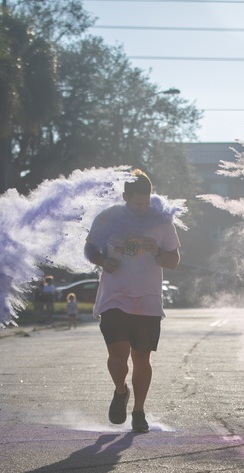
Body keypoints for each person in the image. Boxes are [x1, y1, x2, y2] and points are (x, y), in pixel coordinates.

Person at [83, 169, 181, 434]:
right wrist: (103, 261)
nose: (142, 207)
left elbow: (173, 260)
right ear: (125, 196)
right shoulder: (108, 219)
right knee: (117, 354)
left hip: (147, 299)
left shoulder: (161, 222)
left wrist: (156, 251)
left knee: (141, 357)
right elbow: (89, 247)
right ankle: (120, 390)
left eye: (146, 202)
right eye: (137, 202)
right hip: (114, 296)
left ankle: (138, 411)